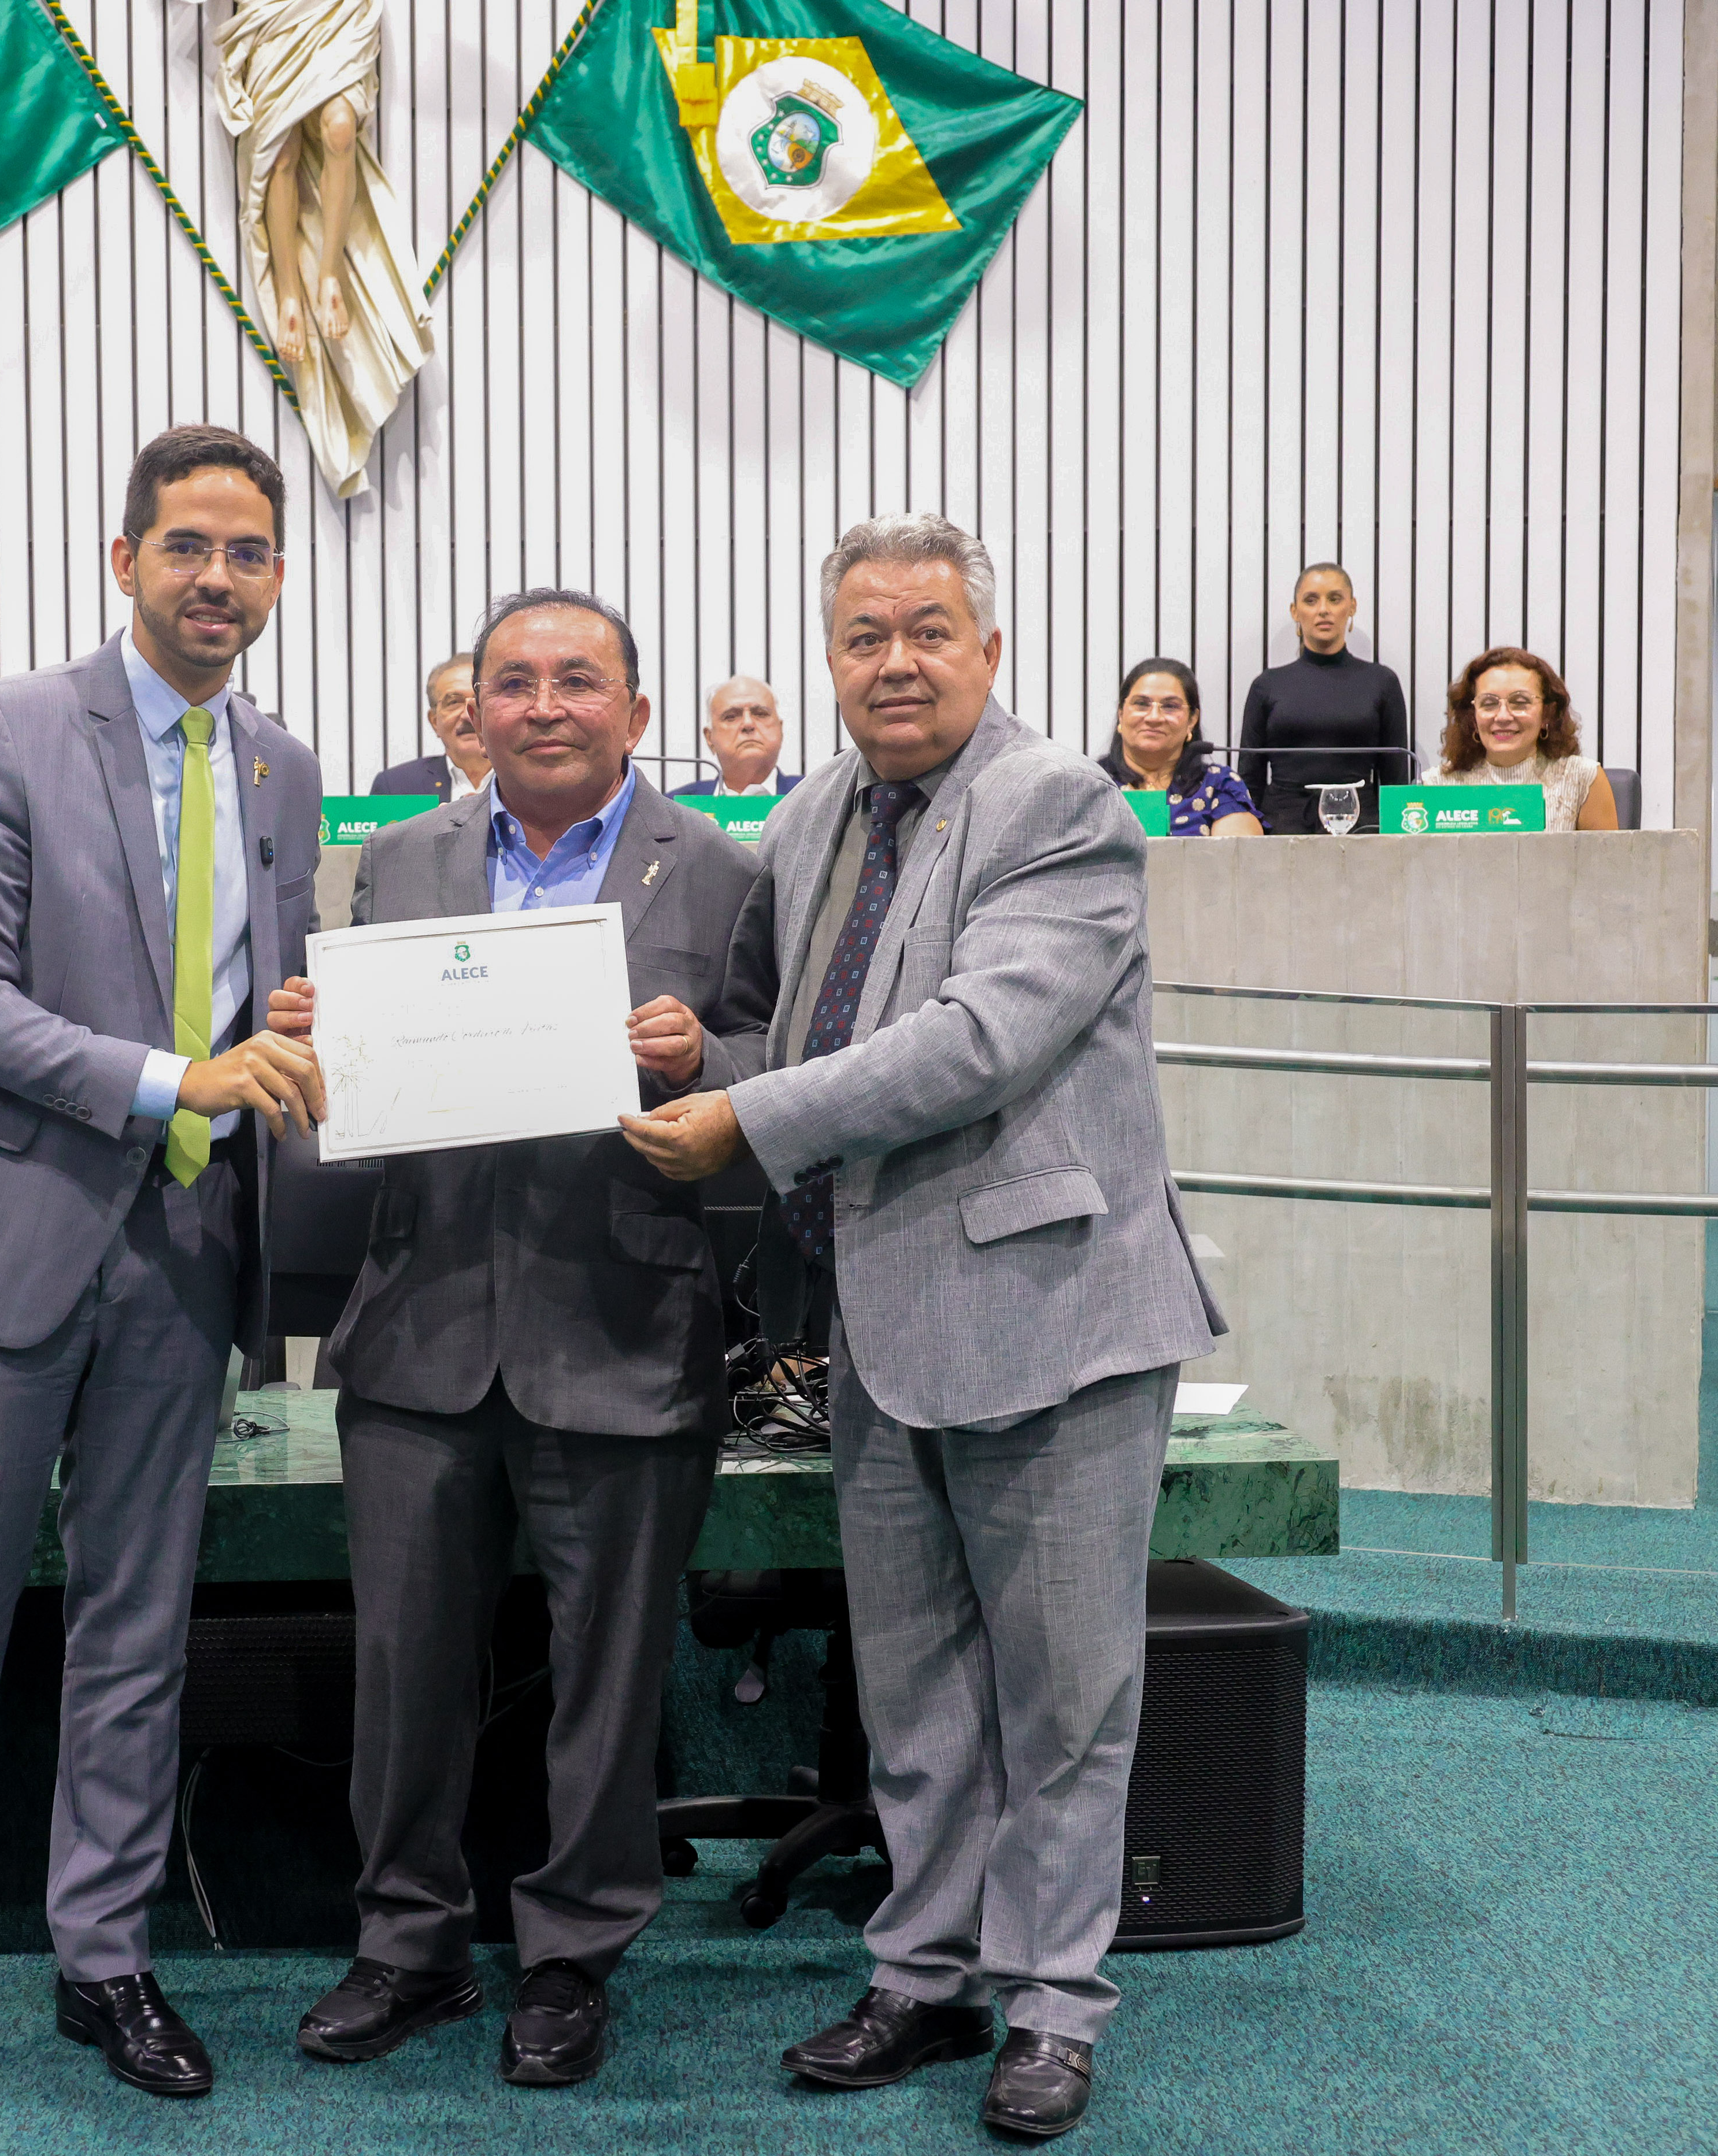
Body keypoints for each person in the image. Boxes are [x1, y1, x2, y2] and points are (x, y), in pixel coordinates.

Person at [620, 514, 1223, 2143]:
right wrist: (697, 1054)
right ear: (829, 659)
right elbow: (797, 1030)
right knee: (915, 1687)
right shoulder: (814, 810)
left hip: (1052, 1317)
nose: (894, 661)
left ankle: (1053, 2001)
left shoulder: (1059, 804)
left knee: (1063, 1697)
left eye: (928, 630)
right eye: (863, 635)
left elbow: (975, 1041)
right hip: (879, 1324)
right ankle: (924, 1971)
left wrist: (746, 1116)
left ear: (989, 650)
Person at [0, 425, 328, 2128]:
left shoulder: (283, 769)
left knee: (136, 1631)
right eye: (186, 545)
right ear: (125, 560)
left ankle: (102, 1951)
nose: (216, 578)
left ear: (276, 577)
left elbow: (261, 999)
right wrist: (178, 1074)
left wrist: (301, 1026)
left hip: (184, 1248)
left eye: (246, 552)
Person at [264, 590, 764, 2089]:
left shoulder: (721, 868)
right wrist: (317, 1035)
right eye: (514, 681)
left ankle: (571, 1956)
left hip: (624, 1326)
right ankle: (406, 1942)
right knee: (403, 1668)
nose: (544, 704)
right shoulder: (399, 858)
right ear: (471, 709)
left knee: (606, 1681)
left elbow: (779, 1066)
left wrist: (707, 1056)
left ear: (636, 710)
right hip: (418, 1330)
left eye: (578, 680)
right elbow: (357, 1082)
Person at [1235, 564, 1410, 835]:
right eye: (1311, 600)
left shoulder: (1382, 682)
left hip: (1363, 828)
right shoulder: (1266, 685)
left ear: (1352, 607)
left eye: (1335, 599)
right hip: (1280, 828)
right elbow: (1249, 780)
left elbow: (1396, 780)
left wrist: (1396, 838)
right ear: (1295, 611)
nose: (1323, 610)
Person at [1421, 647, 1619, 830]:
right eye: (1489, 703)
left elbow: (1606, 857)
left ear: (1547, 714)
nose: (1503, 717)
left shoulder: (1582, 780)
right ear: (1473, 718)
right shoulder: (1437, 785)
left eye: (1520, 702)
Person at [1096, 657, 1264, 835]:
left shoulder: (1219, 785)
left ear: (1192, 720)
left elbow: (1238, 851)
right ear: (1121, 713)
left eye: (1170, 706)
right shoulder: (1091, 783)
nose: (1154, 718)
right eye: (1142, 704)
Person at [366, 654, 487, 800]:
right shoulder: (395, 787)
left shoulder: (515, 779)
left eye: (479, 700)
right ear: (435, 722)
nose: (468, 715)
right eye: (454, 702)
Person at [671, 675, 797, 797]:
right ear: (709, 738)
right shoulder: (675, 805)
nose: (748, 724)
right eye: (731, 717)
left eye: (761, 714)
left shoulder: (810, 798)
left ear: (780, 729)